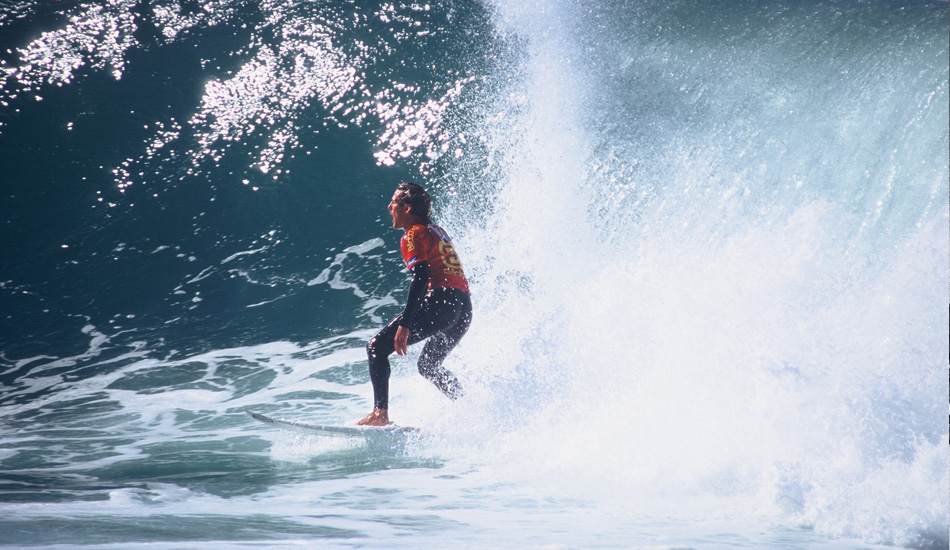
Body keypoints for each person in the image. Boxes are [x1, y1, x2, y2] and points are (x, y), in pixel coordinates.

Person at [357, 182, 472, 426]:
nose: (389, 207)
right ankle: (467, 406)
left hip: (441, 303)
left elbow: (421, 277)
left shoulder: (414, 233)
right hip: (463, 308)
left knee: (376, 348)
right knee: (428, 365)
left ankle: (380, 414)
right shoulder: (436, 230)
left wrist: (406, 324)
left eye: (394, 203)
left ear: (407, 208)